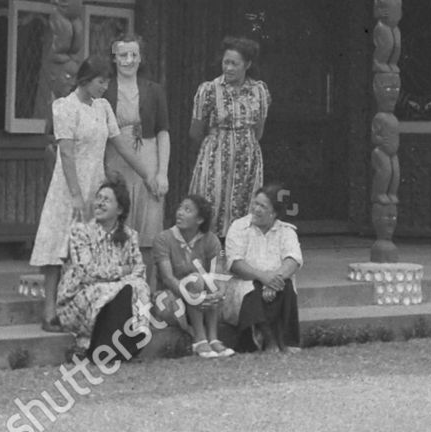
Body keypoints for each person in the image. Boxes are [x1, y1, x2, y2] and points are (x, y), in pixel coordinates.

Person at [31, 55, 155, 332]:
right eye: (101, 81)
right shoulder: (65, 107)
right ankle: (49, 310)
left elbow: (120, 144)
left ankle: (84, 310)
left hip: (96, 184)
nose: (104, 86)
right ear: (85, 80)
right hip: (69, 183)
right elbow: (66, 151)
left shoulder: (103, 107)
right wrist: (75, 193)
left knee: (93, 247)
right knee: (58, 245)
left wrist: (147, 174)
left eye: (107, 81)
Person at [56, 179, 153, 364]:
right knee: (114, 290)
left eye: (106, 200)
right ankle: (102, 348)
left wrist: (119, 279)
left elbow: (139, 269)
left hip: (114, 292)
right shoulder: (80, 232)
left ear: (120, 209)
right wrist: (120, 271)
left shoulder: (130, 236)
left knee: (137, 286)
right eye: (98, 198)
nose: (99, 203)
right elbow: (85, 272)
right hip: (78, 298)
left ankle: (132, 339)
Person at [104, 35, 172, 291]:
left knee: (149, 226)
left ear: (141, 58)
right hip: (116, 158)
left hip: (149, 157)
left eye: (133, 55)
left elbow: (164, 131)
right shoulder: (106, 88)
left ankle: (148, 290)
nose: (128, 60)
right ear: (114, 58)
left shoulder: (154, 89)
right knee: (118, 220)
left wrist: (162, 172)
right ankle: (118, 289)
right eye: (123, 55)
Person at [188, 36, 271, 239]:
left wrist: (243, 145)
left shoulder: (259, 91)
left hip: (247, 159)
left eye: (235, 63)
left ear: (248, 65)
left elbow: (259, 130)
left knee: (244, 207)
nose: (229, 68)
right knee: (212, 204)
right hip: (215, 158)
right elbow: (195, 131)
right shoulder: (208, 90)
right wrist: (218, 146)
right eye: (226, 62)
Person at [222, 184, 302, 354]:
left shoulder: (286, 231)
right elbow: (235, 263)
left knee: (287, 286)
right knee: (251, 290)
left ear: (274, 214)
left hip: (276, 282)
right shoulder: (239, 227)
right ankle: (268, 340)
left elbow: (293, 260)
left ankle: (286, 341)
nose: (256, 209)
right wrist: (263, 277)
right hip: (246, 281)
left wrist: (272, 281)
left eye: (263, 206)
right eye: (255, 204)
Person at [155, 194, 232, 358]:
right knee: (196, 280)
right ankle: (199, 338)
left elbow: (218, 273)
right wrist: (189, 296)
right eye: (180, 208)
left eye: (187, 210)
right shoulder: (164, 239)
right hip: (170, 298)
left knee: (210, 282)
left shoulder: (211, 240)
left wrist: (219, 293)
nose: (180, 213)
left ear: (200, 220)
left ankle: (213, 338)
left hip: (201, 299)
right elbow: (168, 278)